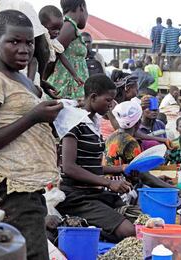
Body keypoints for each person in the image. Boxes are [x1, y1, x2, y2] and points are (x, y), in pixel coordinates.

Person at [0, 10, 63, 259]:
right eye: (13, 41)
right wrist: (33, 117)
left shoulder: (21, 78)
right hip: (9, 187)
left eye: (29, 42)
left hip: (27, 187)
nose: (24, 49)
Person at [57, 75, 137, 243]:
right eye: (108, 100)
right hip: (77, 196)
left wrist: (120, 169)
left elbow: (89, 166)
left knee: (141, 220)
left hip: (95, 192)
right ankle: (85, 231)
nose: (111, 105)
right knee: (129, 231)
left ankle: (93, 229)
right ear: (93, 97)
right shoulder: (74, 123)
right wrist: (108, 183)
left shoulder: (93, 123)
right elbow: (69, 167)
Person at [104, 101, 181, 204]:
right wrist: (177, 190)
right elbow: (145, 177)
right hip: (121, 195)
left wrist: (159, 179)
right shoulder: (130, 142)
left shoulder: (113, 136)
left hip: (109, 190)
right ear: (138, 123)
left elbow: (134, 173)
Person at [46, 0, 89, 99]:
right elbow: (52, 55)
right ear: (81, 7)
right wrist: (42, 81)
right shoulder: (69, 26)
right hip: (65, 90)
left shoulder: (69, 26)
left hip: (70, 89)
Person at [39, 5, 80, 99]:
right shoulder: (37, 42)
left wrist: (75, 75)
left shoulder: (53, 42)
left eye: (59, 29)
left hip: (40, 78)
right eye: (53, 28)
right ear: (41, 26)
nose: (57, 32)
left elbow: (62, 57)